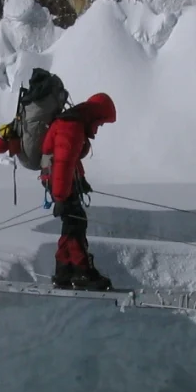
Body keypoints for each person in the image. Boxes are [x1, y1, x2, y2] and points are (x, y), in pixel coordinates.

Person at [41, 93, 117, 290]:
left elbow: (70, 160)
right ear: (95, 116)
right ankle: (82, 272)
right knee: (76, 223)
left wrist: (81, 180)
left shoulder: (73, 123)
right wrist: (60, 197)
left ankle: (64, 272)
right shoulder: (72, 127)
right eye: (100, 123)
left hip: (60, 182)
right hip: (60, 183)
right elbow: (63, 163)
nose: (98, 129)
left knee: (72, 223)